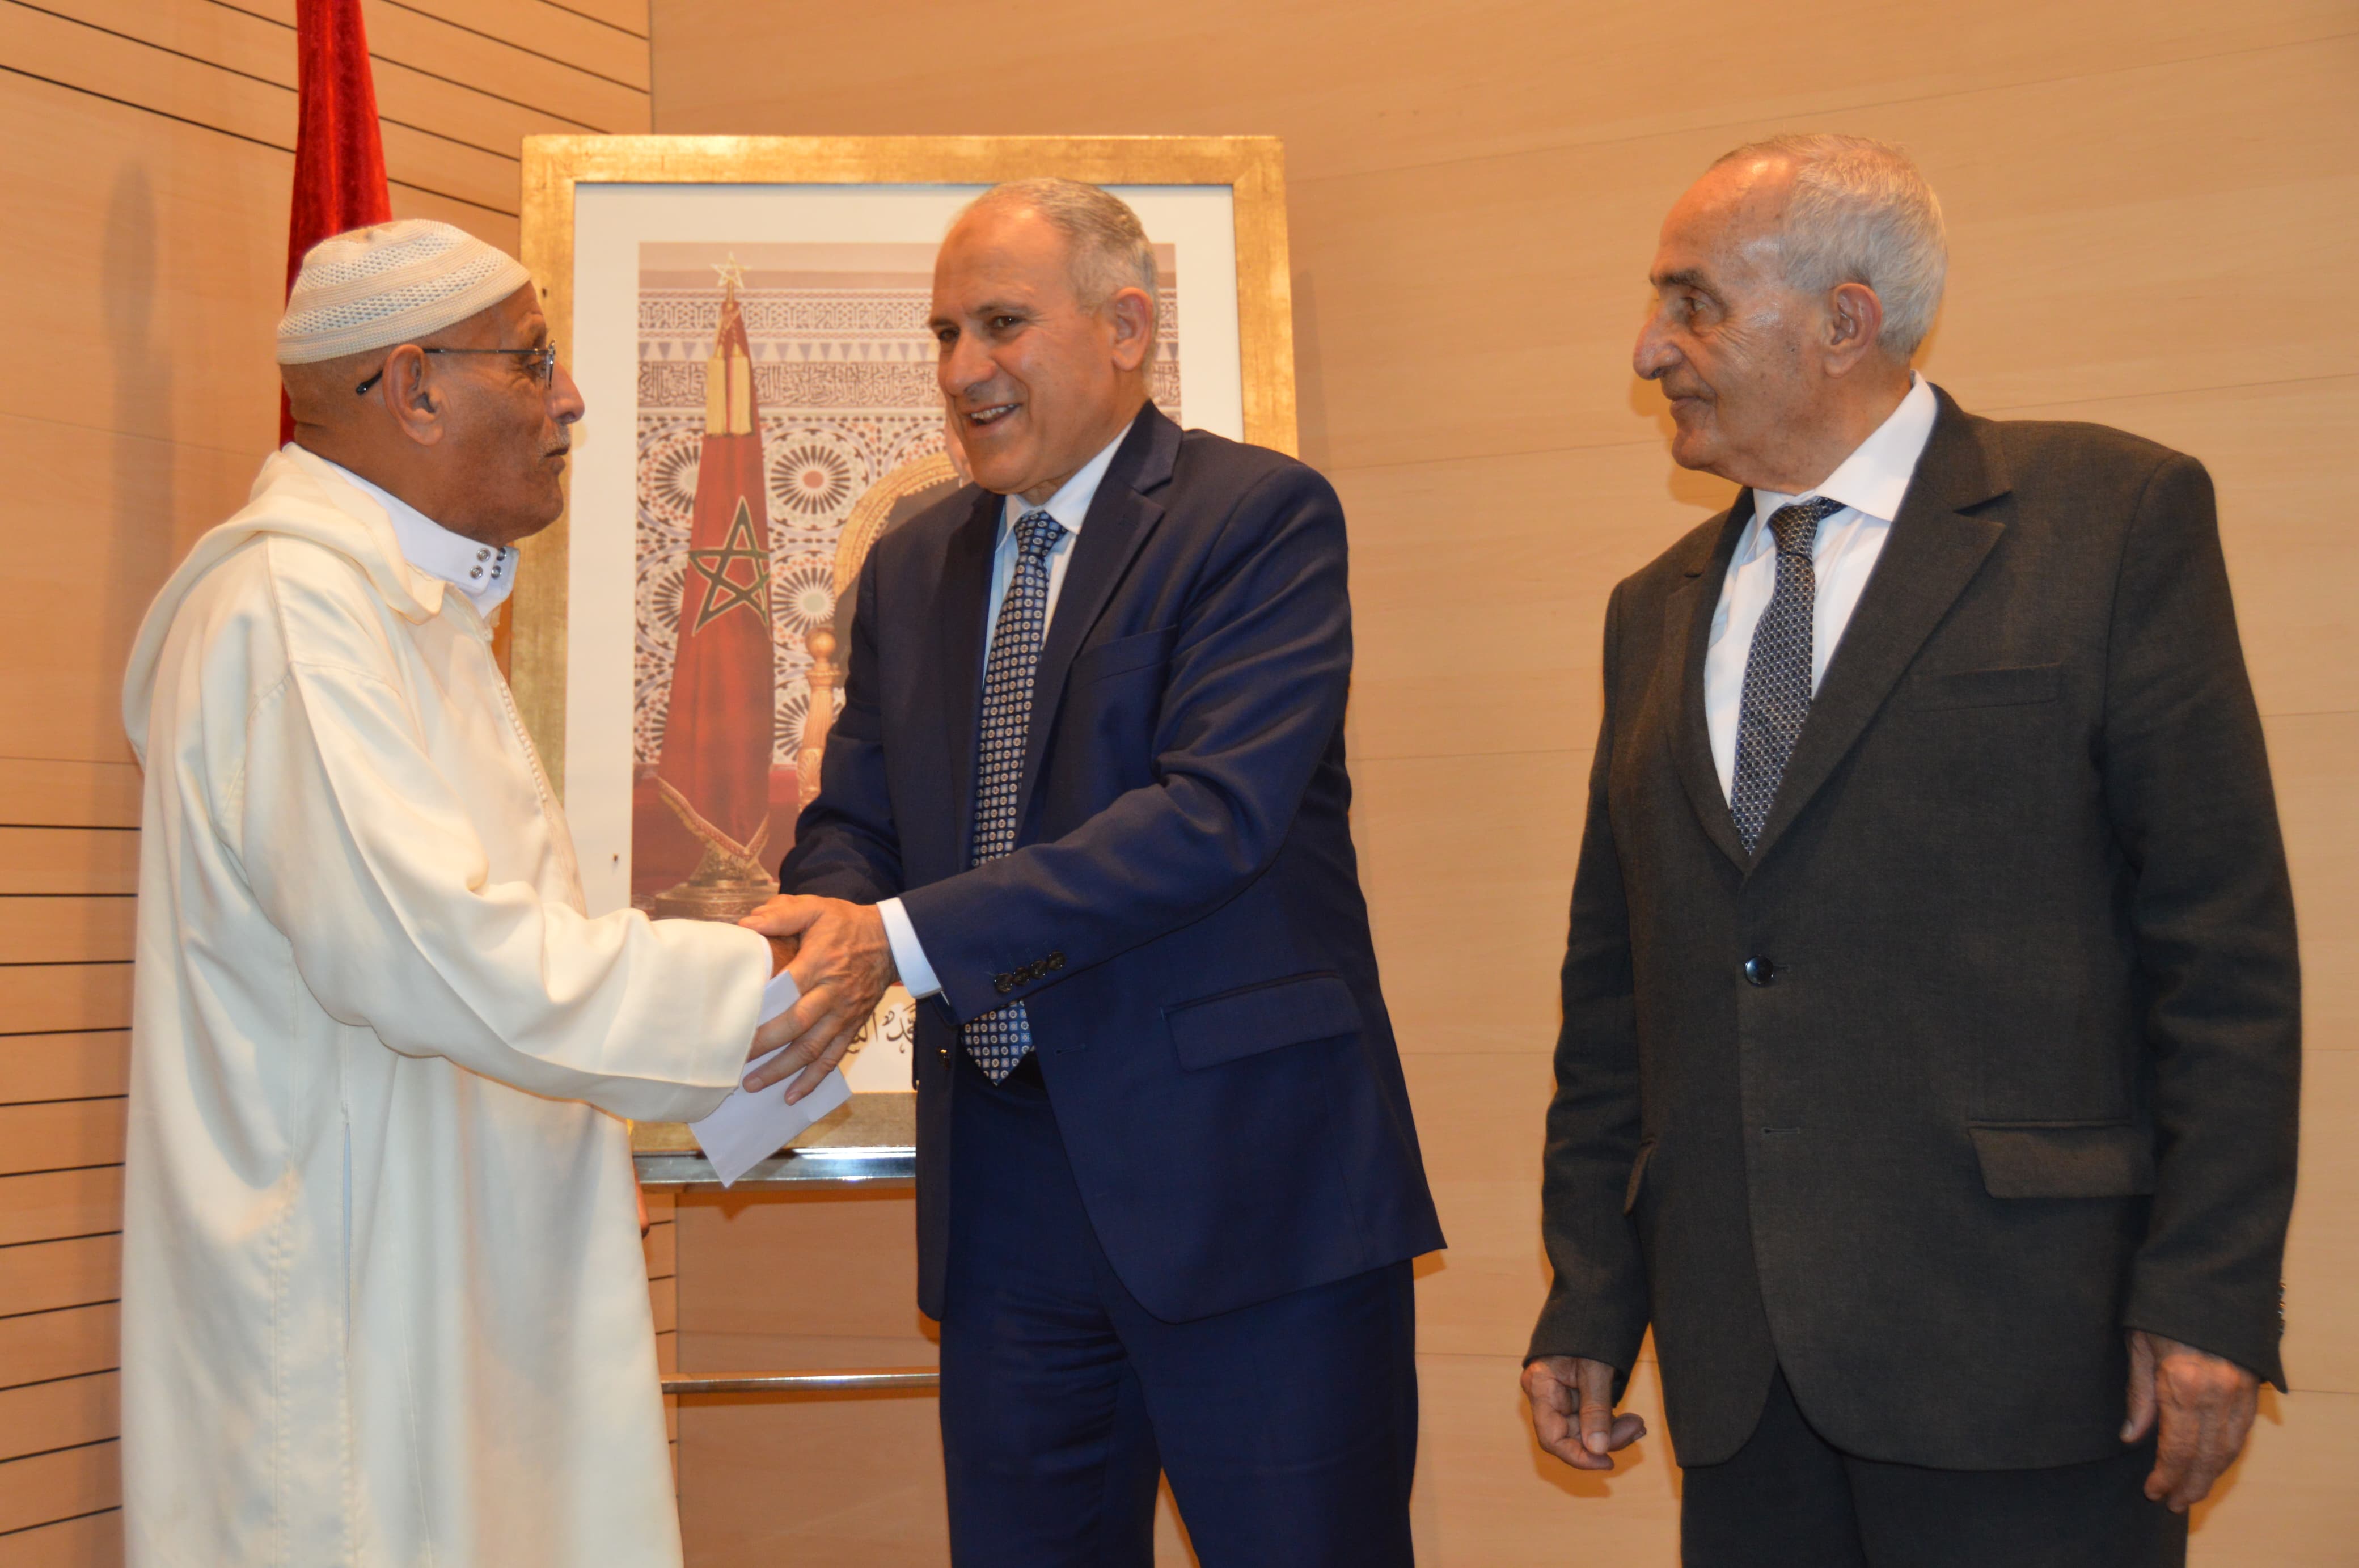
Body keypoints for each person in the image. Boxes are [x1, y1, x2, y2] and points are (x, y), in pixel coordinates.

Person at [1520, 136, 2299, 1566]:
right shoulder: (1653, 608)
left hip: (2030, 1351)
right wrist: (1591, 1291)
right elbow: (1616, 991)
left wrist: (2209, 1295)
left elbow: (2222, 953)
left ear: (1843, 320)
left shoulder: (2106, 520)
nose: (1649, 349)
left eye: (1693, 305)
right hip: (1742, 1370)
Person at [740, 178, 1444, 1566]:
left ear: (1127, 326)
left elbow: (1210, 819)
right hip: (1005, 1190)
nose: (963, 369)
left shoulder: (1255, 518)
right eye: (944, 333)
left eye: (1001, 324)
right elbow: (860, 815)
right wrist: (820, 913)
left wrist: (899, 941)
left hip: (1246, 1182)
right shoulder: (912, 563)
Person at [119, 220, 792, 1567]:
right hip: (358, 1309)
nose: (571, 398)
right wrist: (772, 988)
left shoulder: (406, 606)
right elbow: (435, 959)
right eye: (533, 360)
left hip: (463, 1277)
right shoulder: (292, 614)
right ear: (415, 389)